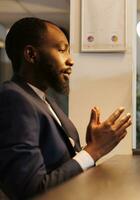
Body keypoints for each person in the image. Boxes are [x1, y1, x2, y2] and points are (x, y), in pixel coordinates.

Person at [0, 17, 132, 199]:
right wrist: (94, 150)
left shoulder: (45, 100)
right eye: (62, 50)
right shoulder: (13, 99)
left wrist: (91, 146)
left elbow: (60, 164)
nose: (70, 61)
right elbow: (31, 191)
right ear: (31, 54)